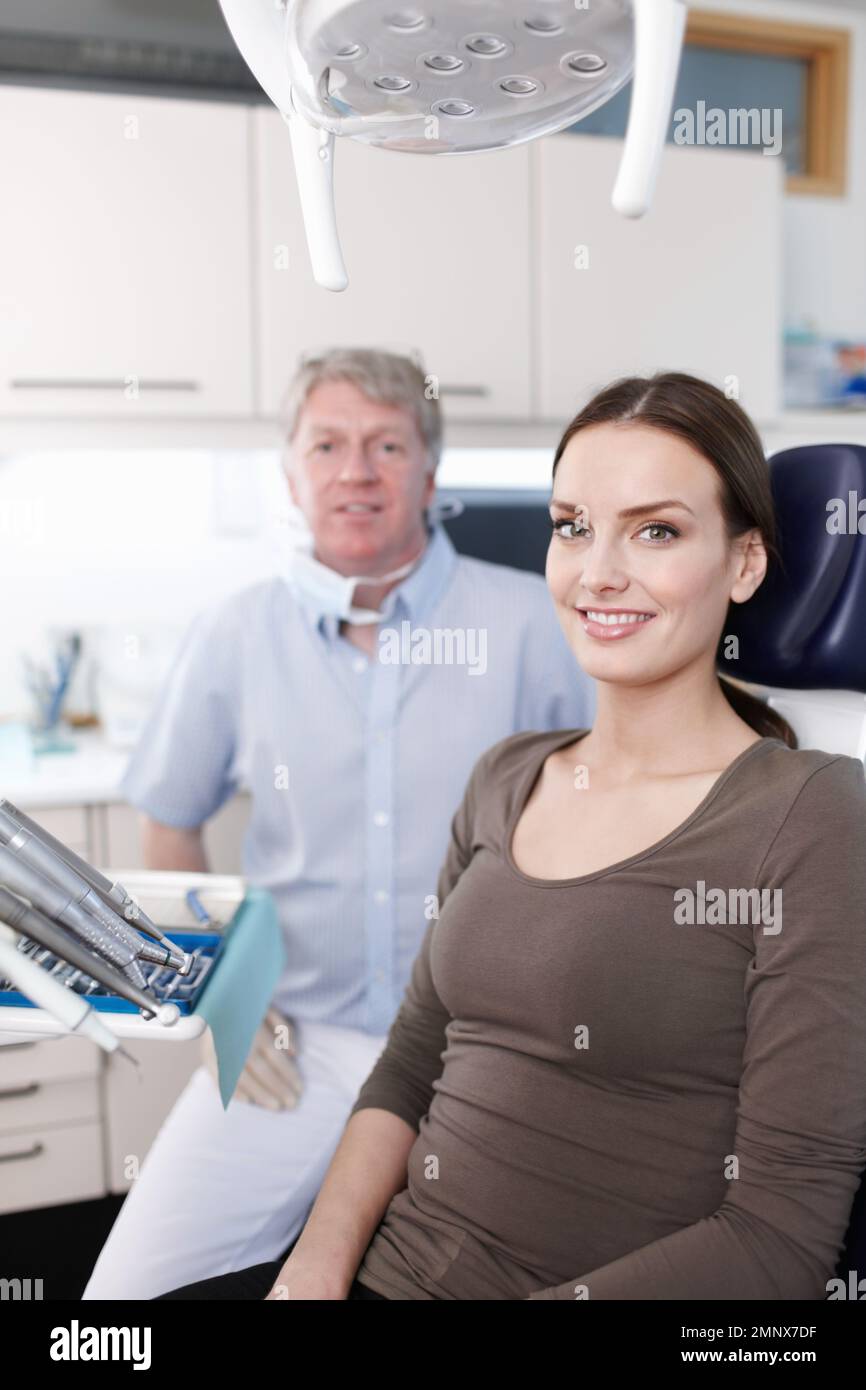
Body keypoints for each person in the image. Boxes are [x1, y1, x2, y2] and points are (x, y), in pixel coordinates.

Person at [157, 371, 866, 1301]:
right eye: (573, 525)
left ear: (744, 564)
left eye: (657, 530)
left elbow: (778, 1237)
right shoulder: (507, 775)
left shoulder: (812, 816)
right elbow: (412, 1065)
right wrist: (310, 1275)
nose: (599, 571)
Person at [82, 348, 594, 1299]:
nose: (355, 470)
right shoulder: (236, 633)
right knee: (120, 1306)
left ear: (429, 475)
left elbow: (610, 814)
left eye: (386, 445)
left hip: (479, 1052)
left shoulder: (534, 622)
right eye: (328, 444)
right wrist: (217, 997)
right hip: (292, 1043)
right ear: (291, 474)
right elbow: (168, 819)